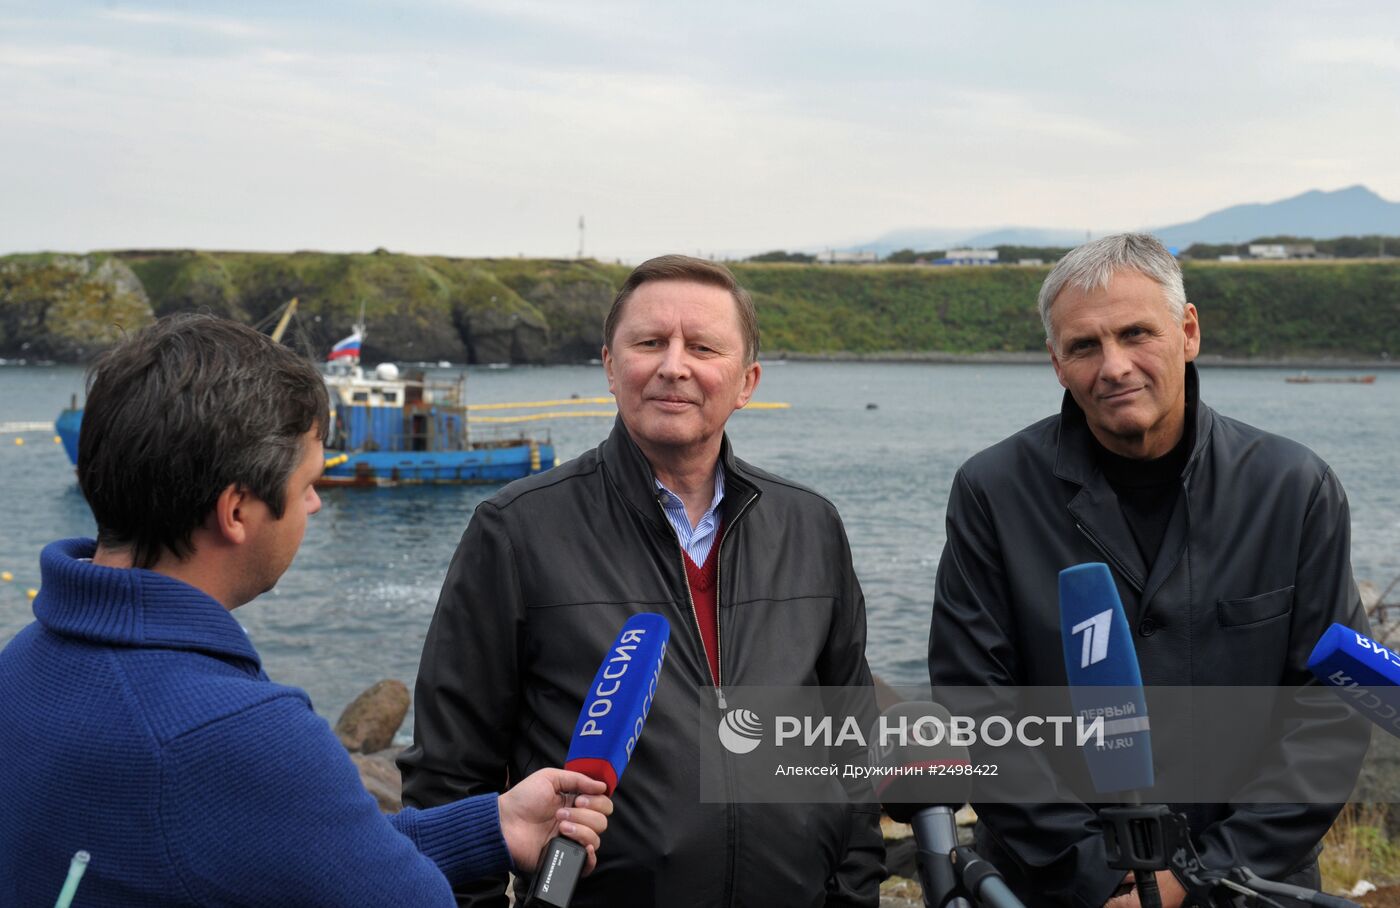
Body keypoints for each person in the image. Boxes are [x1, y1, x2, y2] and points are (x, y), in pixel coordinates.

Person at [0, 315, 612, 907]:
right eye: (306, 485)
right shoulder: (235, 735)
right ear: (237, 512)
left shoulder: (26, 663)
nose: (316, 505)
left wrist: (491, 827)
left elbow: (263, 847)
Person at [400, 254, 885, 907]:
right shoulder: (516, 530)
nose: (673, 366)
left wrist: (852, 894)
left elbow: (847, 749)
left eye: (704, 347)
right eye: (650, 342)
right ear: (609, 366)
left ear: (746, 381)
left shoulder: (810, 526)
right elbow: (451, 775)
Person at [929, 234, 1369, 907]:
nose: (1114, 367)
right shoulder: (994, 491)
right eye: (1084, 346)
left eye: (1136, 333)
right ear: (1056, 362)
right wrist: (1106, 879)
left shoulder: (1294, 488)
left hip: (1253, 889)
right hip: (1057, 890)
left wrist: (1197, 879)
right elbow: (977, 705)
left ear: (1188, 331)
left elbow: (1333, 711)